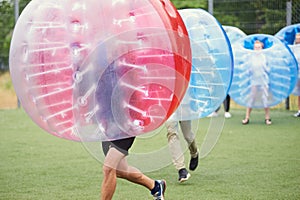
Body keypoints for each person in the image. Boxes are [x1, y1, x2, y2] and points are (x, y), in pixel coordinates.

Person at [101, 137, 166, 200]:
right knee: (120, 170)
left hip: (126, 129)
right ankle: (155, 186)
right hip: (108, 130)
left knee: (109, 168)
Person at [242, 40, 272, 125]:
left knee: (265, 98)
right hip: (254, 80)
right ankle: (247, 118)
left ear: (262, 48)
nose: (257, 49)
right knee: (251, 98)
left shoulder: (264, 57)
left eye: (259, 47)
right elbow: (248, 69)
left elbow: (268, 69)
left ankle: (267, 118)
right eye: (255, 47)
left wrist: (266, 70)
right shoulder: (251, 57)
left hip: (263, 80)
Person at [292, 33, 300, 117]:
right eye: (297, 38)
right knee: (299, 92)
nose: (298, 39)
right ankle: (299, 110)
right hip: (297, 73)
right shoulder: (294, 48)